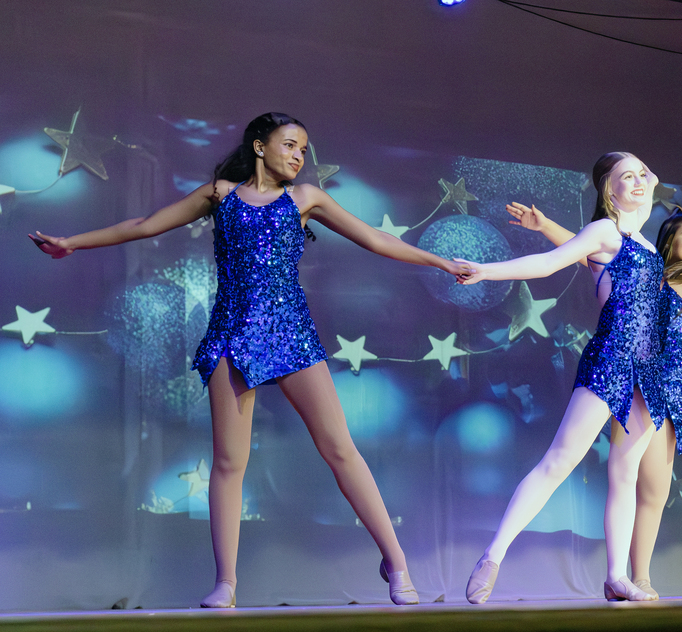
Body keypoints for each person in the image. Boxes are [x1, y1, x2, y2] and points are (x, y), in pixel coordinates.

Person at [30, 112, 471, 607]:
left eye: (304, 149)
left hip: (290, 333)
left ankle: (397, 561)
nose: (299, 156)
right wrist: (72, 243)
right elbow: (144, 224)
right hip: (231, 334)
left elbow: (375, 239)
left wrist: (440, 261)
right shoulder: (219, 194)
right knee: (228, 462)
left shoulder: (306, 198)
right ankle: (226, 584)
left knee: (340, 449)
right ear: (260, 147)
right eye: (290, 145)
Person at [508, 204, 682, 599]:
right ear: (670, 240)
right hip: (649, 395)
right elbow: (588, 253)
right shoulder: (648, 279)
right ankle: (639, 578)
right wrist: (545, 225)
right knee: (653, 493)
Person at [457, 152, 669, 602]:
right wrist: (487, 270)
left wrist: (640, 174)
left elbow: (643, 192)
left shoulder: (646, 242)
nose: (639, 181)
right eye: (625, 177)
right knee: (559, 461)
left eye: (641, 175)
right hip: (612, 358)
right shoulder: (605, 231)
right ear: (607, 191)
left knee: (626, 473)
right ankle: (492, 555)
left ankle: (616, 576)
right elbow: (551, 263)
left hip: (650, 369)